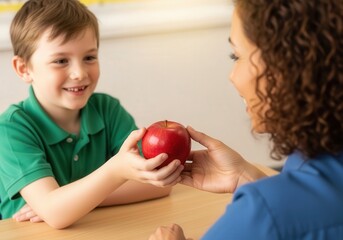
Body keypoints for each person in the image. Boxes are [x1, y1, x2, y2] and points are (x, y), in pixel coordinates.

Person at [149, 0, 343, 239]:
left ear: (286, 65)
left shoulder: (262, 214)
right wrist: (249, 179)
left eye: (236, 56)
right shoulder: (308, 163)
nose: (232, 77)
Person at [0, 0, 183, 229]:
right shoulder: (10, 129)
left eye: (89, 57)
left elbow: (158, 182)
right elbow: (57, 215)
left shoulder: (107, 109)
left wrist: (80, 199)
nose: (79, 73)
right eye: (61, 61)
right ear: (24, 69)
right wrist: (116, 174)